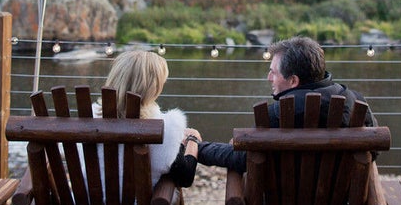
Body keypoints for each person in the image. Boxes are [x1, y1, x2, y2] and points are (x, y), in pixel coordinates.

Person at [197, 36, 376, 173]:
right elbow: (373, 153)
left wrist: (197, 147)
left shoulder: (278, 115)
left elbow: (244, 159)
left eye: (273, 73)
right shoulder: (356, 103)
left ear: (293, 81)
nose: (269, 78)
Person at [96, 49, 200, 187]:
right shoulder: (166, 126)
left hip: (87, 204)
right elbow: (185, 177)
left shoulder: (89, 117)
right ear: (153, 86)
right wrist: (192, 140)